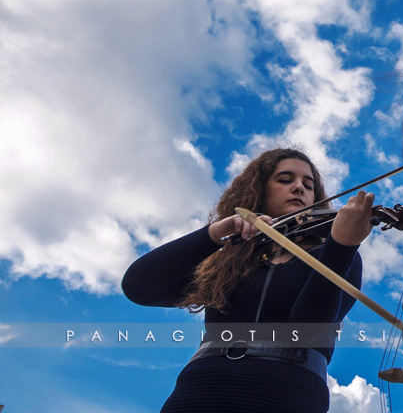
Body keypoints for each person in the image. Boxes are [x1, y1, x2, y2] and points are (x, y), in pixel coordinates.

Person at [122, 147, 375, 413]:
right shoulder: (226, 264)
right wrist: (213, 235)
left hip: (290, 395)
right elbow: (139, 286)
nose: (299, 188)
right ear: (259, 190)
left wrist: (342, 247)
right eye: (285, 180)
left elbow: (306, 330)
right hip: (200, 390)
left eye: (308, 185)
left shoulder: (334, 255)